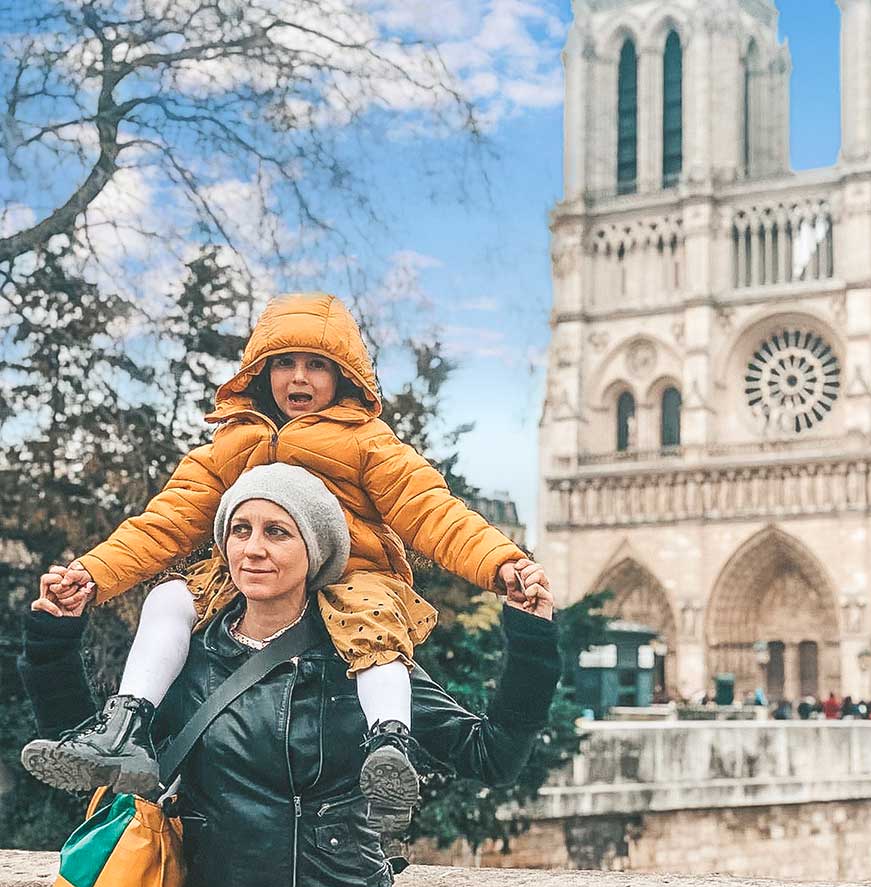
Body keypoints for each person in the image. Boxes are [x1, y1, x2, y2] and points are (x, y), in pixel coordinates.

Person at [31, 294, 545, 840]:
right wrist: (90, 576)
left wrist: (503, 565)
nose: (299, 377)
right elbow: (165, 521)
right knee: (169, 598)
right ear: (260, 372)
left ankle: (388, 744)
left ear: (343, 376)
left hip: (357, 577)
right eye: (284, 363)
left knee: (375, 634)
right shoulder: (233, 443)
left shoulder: (366, 443)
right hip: (221, 881)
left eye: (317, 364)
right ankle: (125, 724)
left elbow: (432, 513)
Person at [22, 465, 561, 887]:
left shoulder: (366, 662)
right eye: (240, 530)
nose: (252, 549)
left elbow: (493, 755)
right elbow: (85, 743)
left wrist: (531, 640)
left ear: (316, 551)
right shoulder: (189, 657)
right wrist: (54, 637)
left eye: (277, 532)